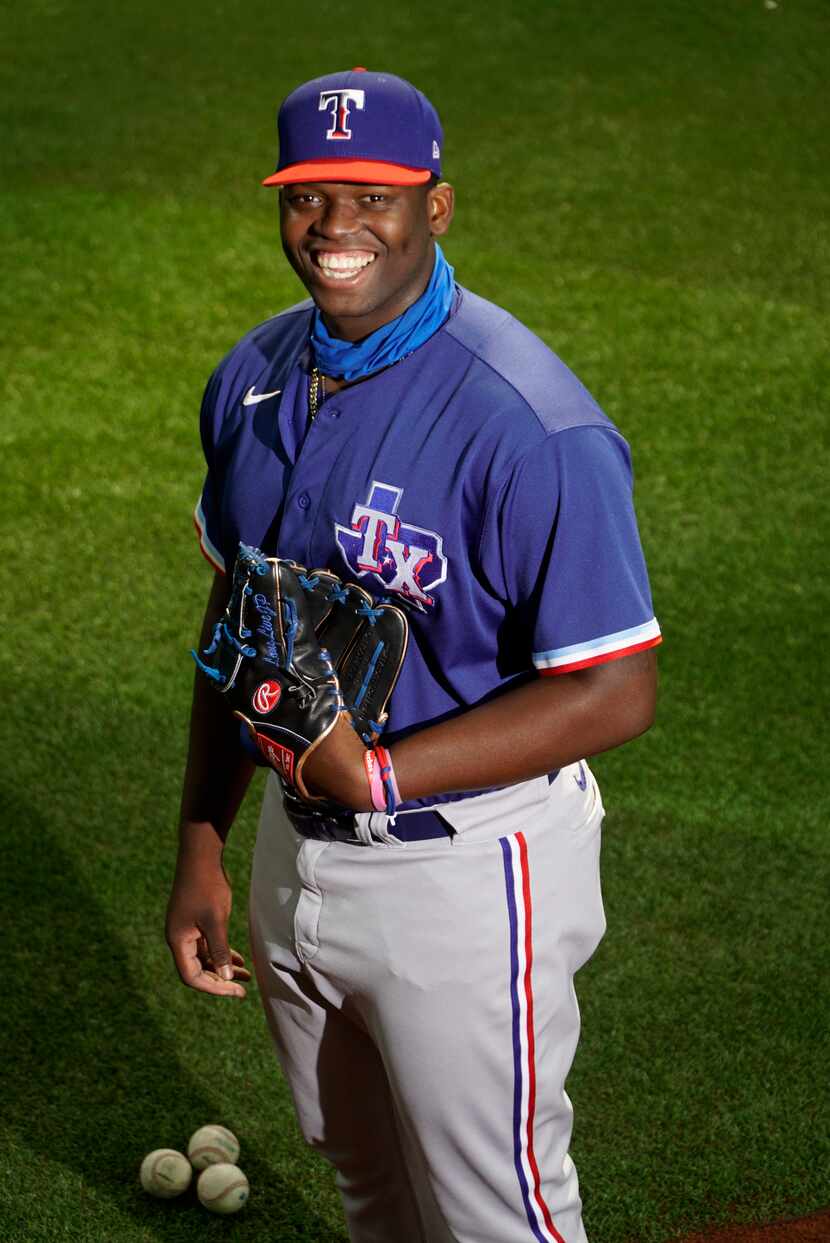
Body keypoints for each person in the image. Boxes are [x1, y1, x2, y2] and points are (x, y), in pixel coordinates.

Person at [166, 67, 661, 1243]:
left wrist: (380, 778)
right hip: (298, 847)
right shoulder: (252, 377)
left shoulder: (528, 424)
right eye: (307, 197)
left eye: (373, 196)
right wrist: (202, 840)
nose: (334, 228)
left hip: (466, 866)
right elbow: (235, 619)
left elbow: (615, 685)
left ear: (435, 207)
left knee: (496, 1215)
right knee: (366, 1186)